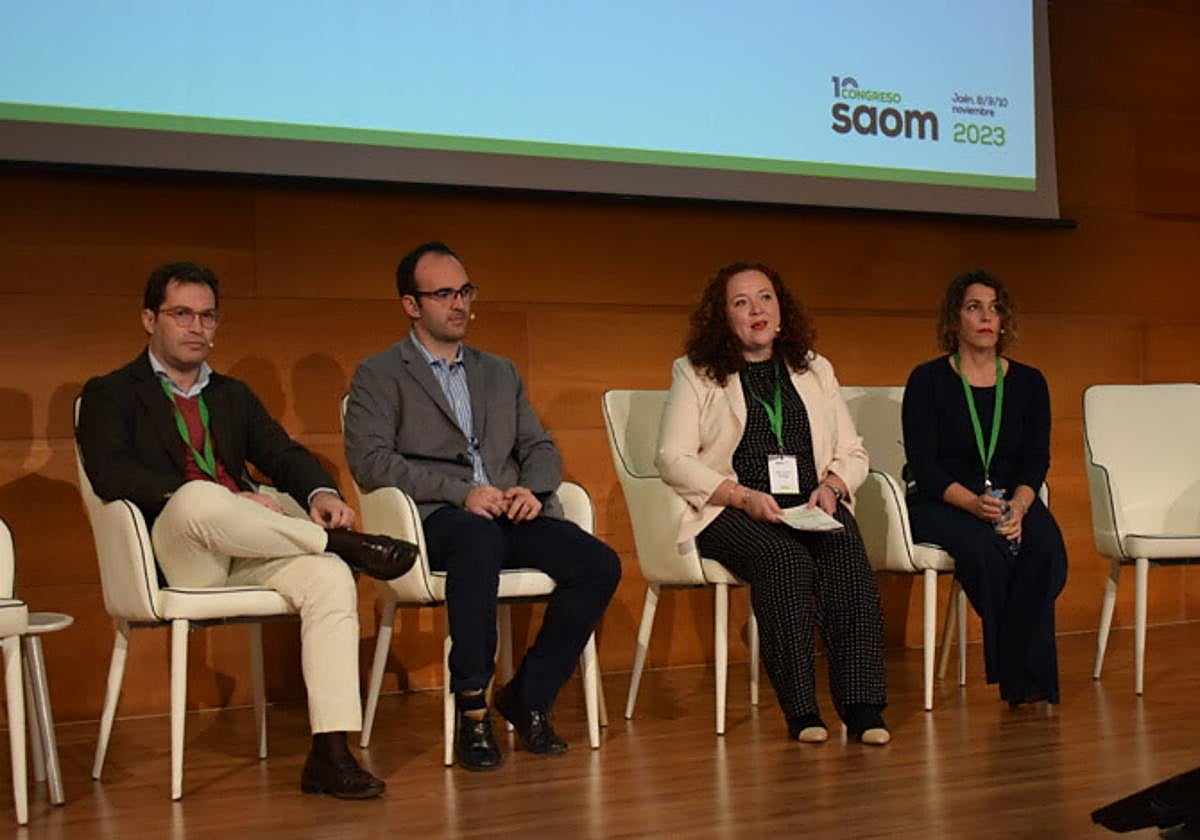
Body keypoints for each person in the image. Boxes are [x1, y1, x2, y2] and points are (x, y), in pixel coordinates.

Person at [77, 261, 419, 799]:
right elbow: (111, 473)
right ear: (149, 320)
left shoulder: (232, 395)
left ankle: (330, 753)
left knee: (328, 579)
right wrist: (224, 498)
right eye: (181, 314)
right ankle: (343, 545)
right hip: (179, 552)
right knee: (197, 497)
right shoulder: (110, 393)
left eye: (207, 317)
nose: (197, 328)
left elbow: (281, 454)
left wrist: (321, 494)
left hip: (251, 543)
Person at [343, 241, 621, 771]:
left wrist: (532, 492)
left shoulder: (500, 372)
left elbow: (540, 447)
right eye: (444, 293)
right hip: (438, 517)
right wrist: (460, 494)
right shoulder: (379, 374)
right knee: (477, 536)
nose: (459, 304)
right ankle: (472, 709)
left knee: (598, 563)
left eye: (465, 291)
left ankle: (528, 695)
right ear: (411, 305)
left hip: (504, 510)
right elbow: (371, 461)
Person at [656, 262, 889, 745]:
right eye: (741, 303)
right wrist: (741, 496)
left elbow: (853, 451)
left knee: (845, 555)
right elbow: (672, 458)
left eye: (765, 298)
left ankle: (863, 706)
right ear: (723, 318)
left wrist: (833, 486)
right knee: (782, 560)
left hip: (810, 502)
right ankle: (802, 710)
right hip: (733, 507)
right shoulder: (696, 372)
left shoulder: (813, 367)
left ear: (781, 311)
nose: (756, 310)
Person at [902, 269, 1067, 707]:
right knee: (984, 551)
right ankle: (1024, 680)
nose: (986, 317)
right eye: (974, 307)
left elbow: (1037, 458)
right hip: (944, 498)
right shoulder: (928, 380)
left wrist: (1019, 506)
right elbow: (925, 465)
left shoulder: (1030, 383)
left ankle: (1016, 668)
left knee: (1046, 551)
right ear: (955, 318)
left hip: (1013, 497)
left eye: (995, 308)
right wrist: (975, 505)